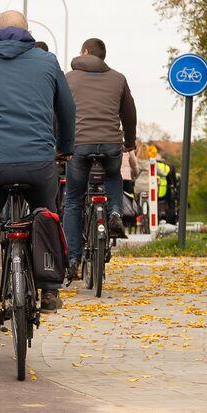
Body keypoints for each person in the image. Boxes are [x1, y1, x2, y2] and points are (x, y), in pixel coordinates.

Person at [0, 11, 76, 328]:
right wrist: (65, 148)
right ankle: (49, 290)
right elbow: (66, 109)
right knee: (47, 217)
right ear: (28, 32)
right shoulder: (47, 63)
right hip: (38, 163)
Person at [62, 37, 137, 278]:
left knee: (73, 199)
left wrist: (59, 145)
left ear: (84, 52)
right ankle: (114, 212)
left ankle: (72, 260)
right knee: (113, 176)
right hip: (111, 144)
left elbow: (58, 112)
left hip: (79, 146)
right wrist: (130, 142)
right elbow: (129, 113)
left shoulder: (68, 78)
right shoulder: (118, 78)